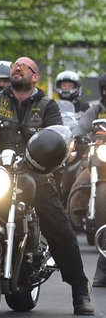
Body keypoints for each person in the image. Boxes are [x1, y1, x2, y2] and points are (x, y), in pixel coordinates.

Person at [0, 55, 94, 314]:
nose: (17, 68)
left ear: (35, 77)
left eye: (24, 67)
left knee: (60, 229)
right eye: (15, 65)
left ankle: (79, 290)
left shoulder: (47, 106)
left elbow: (58, 141)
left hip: (35, 175)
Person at [69, 73, 106, 286]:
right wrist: (77, 137)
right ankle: (73, 215)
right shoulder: (95, 110)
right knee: (77, 180)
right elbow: (81, 126)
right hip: (97, 160)